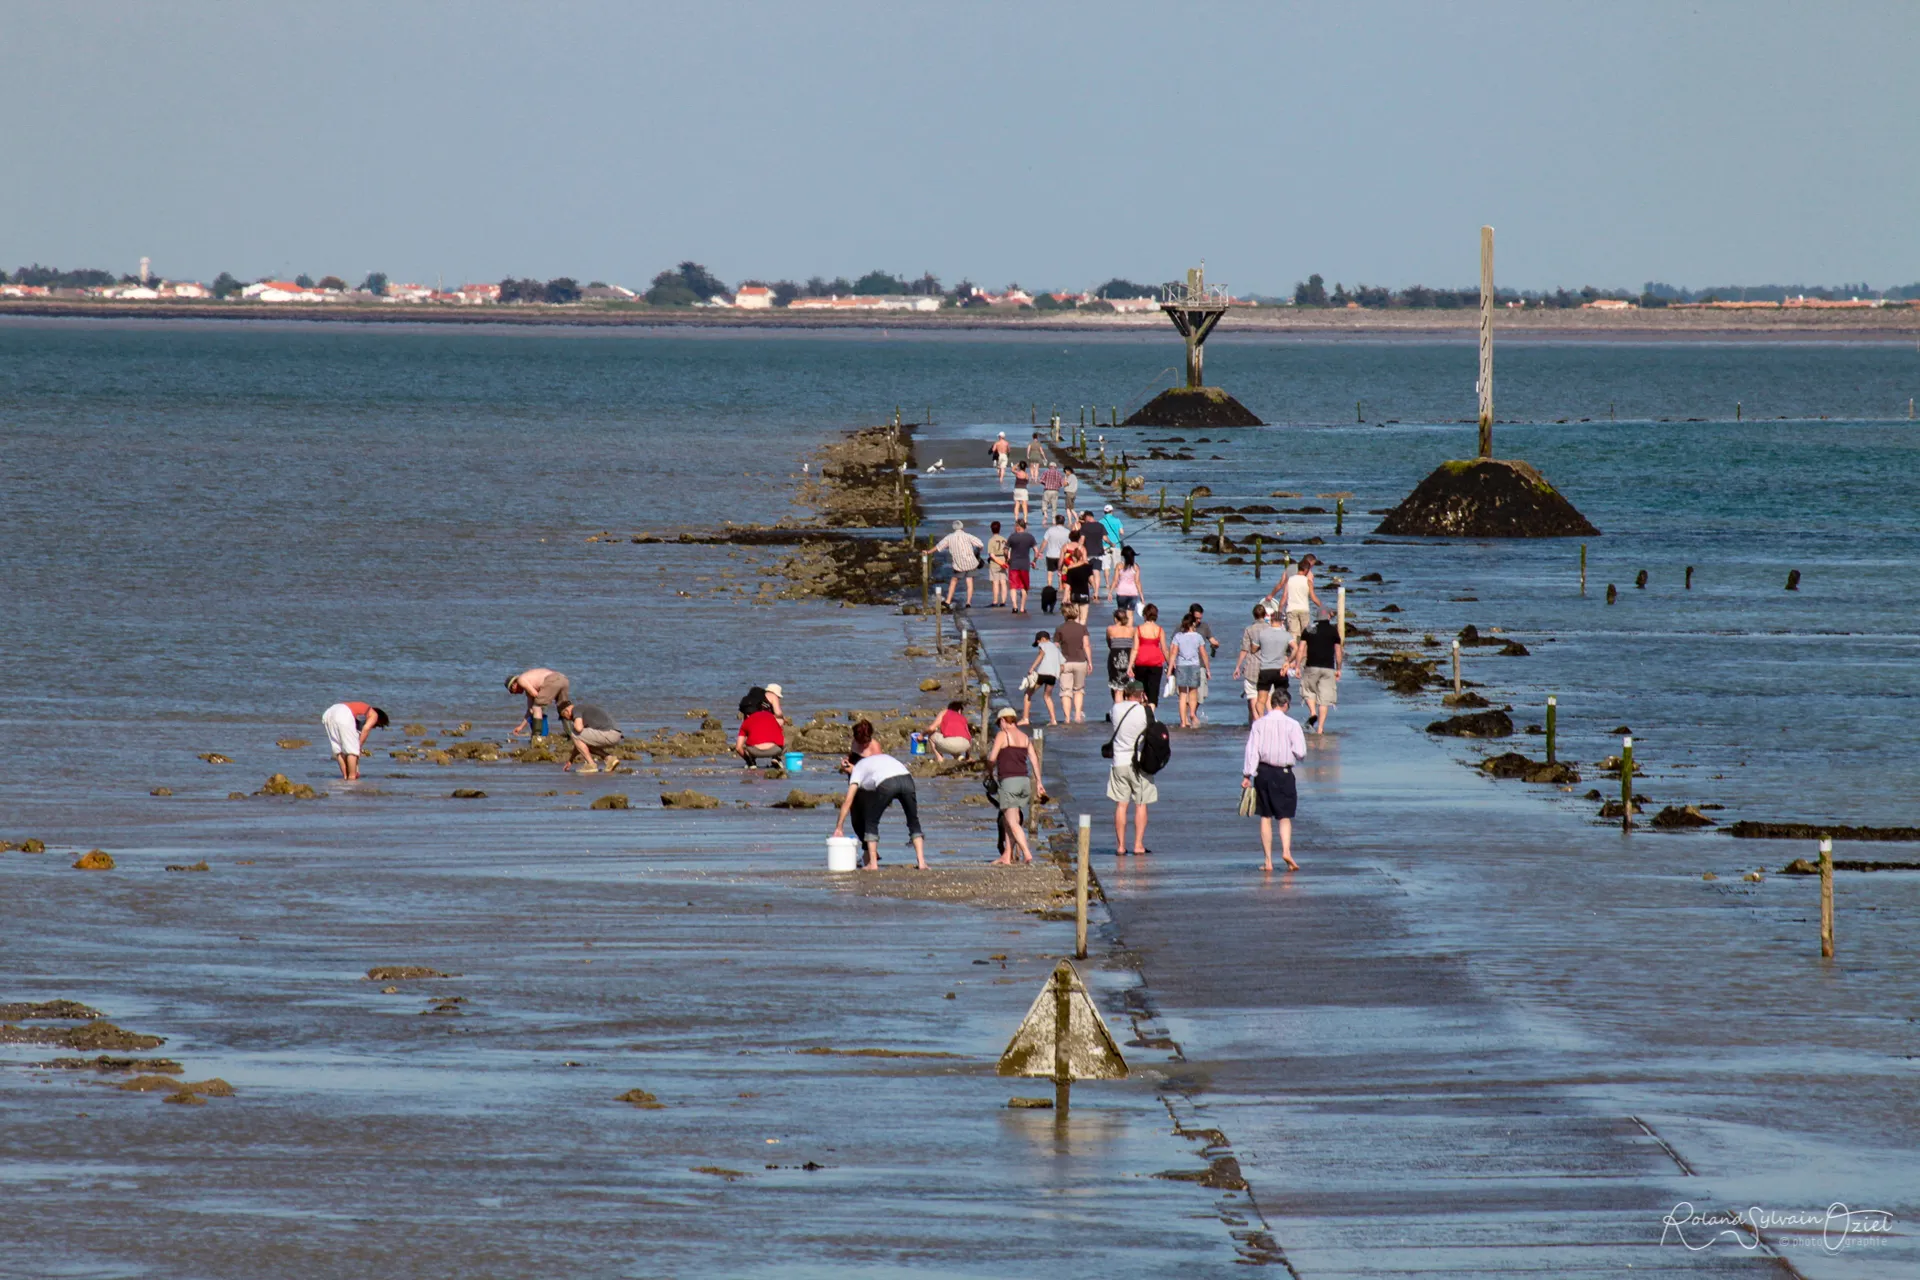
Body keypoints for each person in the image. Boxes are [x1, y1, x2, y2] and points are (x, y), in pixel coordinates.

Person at [832, 719, 927, 871]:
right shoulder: (874, 760)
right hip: (906, 777)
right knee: (913, 821)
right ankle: (922, 863)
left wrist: (839, 827)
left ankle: (873, 864)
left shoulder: (858, 769)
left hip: (886, 783)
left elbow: (847, 801)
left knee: (870, 821)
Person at [1242, 688, 1307, 871]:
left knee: (1265, 816)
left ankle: (1268, 861)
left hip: (1263, 772)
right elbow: (1301, 752)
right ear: (1286, 704)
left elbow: (1252, 752)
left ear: (1272, 703)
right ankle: (1286, 850)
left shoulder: (1259, 724)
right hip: (1284, 773)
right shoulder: (1293, 724)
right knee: (1284, 816)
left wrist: (1247, 775)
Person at [986, 707, 1043, 864]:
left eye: (1000, 723)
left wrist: (990, 771)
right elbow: (1034, 761)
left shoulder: (1002, 735)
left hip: (1009, 782)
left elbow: (992, 758)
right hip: (1024, 782)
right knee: (1010, 819)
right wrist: (1038, 782)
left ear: (1004, 720)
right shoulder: (1025, 737)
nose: (1000, 726)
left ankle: (1026, 852)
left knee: (1011, 822)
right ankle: (1007, 855)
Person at [1106, 681, 1157, 855]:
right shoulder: (1145, 712)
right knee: (1141, 804)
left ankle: (1120, 846)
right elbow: (1154, 730)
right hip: (1139, 762)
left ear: (1127, 693)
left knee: (1121, 805)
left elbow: (1117, 703)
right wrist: (1146, 704)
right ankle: (1138, 845)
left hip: (1119, 761)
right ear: (1142, 694)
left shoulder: (1116, 709)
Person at [1295, 615, 1344, 734]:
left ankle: (1312, 712)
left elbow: (1301, 649)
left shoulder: (1309, 628)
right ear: (1328, 617)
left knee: (1308, 691)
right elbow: (1338, 651)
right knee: (1325, 699)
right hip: (1328, 668)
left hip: (1311, 666)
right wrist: (1339, 668)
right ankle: (1320, 729)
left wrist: (1297, 666)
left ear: (1317, 616)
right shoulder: (1333, 630)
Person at [321, 700, 388, 781]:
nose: (374, 727)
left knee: (339, 750)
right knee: (352, 751)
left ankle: (346, 776)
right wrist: (358, 746)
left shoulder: (359, 717)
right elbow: (366, 729)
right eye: (377, 725)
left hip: (330, 712)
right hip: (343, 712)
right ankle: (352, 778)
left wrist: (357, 767)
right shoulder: (374, 715)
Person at [1248, 605, 1296, 716]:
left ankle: (1261, 720)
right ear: (1282, 622)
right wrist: (1288, 662)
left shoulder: (1263, 634)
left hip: (1265, 669)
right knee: (1282, 698)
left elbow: (1253, 649)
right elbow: (1296, 648)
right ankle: (1280, 718)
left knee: (1261, 700)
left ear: (1270, 620)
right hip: (1280, 670)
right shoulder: (1286, 635)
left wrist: (1262, 646)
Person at [1266, 554, 1324, 639]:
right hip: (1303, 607)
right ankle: (1303, 649)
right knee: (1305, 633)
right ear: (1309, 563)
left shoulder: (1289, 569)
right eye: (1312, 564)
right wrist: (1323, 608)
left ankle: (1294, 649)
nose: (1312, 566)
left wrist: (1272, 596)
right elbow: (1312, 596)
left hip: (1290, 607)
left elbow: (1281, 585)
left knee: (1292, 632)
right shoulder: (1309, 575)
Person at [558, 698, 623, 774]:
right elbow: (579, 745)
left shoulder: (576, 709)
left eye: (564, 717)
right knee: (583, 740)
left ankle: (591, 764)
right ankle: (609, 759)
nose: (567, 719)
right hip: (616, 735)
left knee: (573, 732)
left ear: (566, 711)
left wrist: (575, 725)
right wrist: (571, 760)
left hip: (609, 733)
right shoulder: (584, 709)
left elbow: (578, 729)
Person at [1170, 615, 1211, 729]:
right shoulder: (1198, 637)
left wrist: (1169, 671)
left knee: (1182, 695)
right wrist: (1208, 669)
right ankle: (1192, 713)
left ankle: (1183, 722)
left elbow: (1173, 654)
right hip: (1194, 666)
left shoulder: (1178, 636)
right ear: (1193, 624)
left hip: (1181, 666)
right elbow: (1203, 654)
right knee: (1193, 693)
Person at [1231, 603, 1270, 724]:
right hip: (1268, 667)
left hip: (1251, 668)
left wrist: (1237, 667)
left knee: (1253, 697)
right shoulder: (1271, 629)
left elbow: (1244, 650)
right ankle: (1269, 722)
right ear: (1265, 614)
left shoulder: (1249, 629)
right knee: (1267, 697)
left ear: (1254, 615)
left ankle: (1256, 723)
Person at [1055, 604, 1093, 723]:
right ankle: (1077, 716)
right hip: (1080, 661)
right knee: (1079, 689)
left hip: (1065, 662)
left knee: (1065, 691)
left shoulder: (1060, 628)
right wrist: (1090, 662)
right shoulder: (1082, 628)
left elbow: (1056, 647)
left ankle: (1066, 718)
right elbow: (1086, 645)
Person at [934, 520, 985, 608]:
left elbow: (939, 546)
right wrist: (979, 550)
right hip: (971, 562)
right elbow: (980, 544)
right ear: (962, 527)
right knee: (969, 581)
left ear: (954, 528)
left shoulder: (949, 537)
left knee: (954, 580)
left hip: (959, 564)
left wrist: (927, 552)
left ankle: (948, 601)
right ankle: (968, 602)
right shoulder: (967, 536)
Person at [1127, 602, 1169, 709]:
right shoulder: (1159, 630)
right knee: (1153, 692)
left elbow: (1135, 649)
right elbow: (1164, 649)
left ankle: (1142, 715)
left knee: (1141, 690)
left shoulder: (1139, 629)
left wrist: (1130, 665)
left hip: (1141, 662)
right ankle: (1150, 716)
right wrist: (1171, 664)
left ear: (1144, 615)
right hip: (1155, 663)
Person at [506, 668, 569, 737]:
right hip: (563, 679)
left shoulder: (520, 680)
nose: (514, 693)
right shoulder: (529, 682)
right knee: (564, 708)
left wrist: (539, 707)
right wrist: (521, 727)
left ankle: (538, 737)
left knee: (537, 707)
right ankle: (571, 734)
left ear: (513, 685)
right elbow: (530, 711)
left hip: (552, 680)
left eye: (511, 691)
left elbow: (535, 695)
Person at [1186, 603, 1221, 725]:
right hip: (1185, 664)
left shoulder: (1204, 627)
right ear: (1190, 615)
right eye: (1196, 618)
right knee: (1185, 695)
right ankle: (1186, 718)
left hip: (1201, 665)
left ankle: (1193, 714)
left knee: (1201, 695)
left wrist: (1215, 644)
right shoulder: (1182, 626)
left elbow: (1212, 640)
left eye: (1200, 618)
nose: (1198, 621)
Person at [1022, 630, 1064, 726]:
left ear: (1043, 639)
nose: (1038, 644)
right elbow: (1062, 665)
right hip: (1053, 676)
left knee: (1028, 693)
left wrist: (1032, 668)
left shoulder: (1043, 645)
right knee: (1047, 696)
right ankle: (1053, 720)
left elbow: (1041, 655)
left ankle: (1025, 719)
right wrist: (1057, 674)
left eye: (1038, 642)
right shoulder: (1055, 648)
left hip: (1043, 673)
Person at [736, 694, 785, 766]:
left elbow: (738, 748)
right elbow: (780, 736)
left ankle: (751, 762)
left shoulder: (746, 722)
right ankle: (776, 758)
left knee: (747, 743)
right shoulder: (771, 716)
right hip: (774, 750)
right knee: (785, 742)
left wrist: (747, 760)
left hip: (754, 751)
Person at [1105, 605, 1137, 706]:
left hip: (1115, 658)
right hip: (1128, 658)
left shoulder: (1110, 629)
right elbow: (1135, 647)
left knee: (1117, 689)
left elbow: (1109, 643)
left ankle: (1118, 710)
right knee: (1126, 685)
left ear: (1115, 618)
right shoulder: (1132, 630)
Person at [1005, 518, 1038, 614]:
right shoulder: (1030, 537)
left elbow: (1006, 550)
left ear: (1017, 527)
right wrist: (1034, 561)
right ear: (1025, 527)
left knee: (1013, 586)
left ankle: (1015, 607)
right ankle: (1022, 607)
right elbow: (1036, 551)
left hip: (1014, 564)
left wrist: (1007, 558)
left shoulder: (1012, 537)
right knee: (1024, 587)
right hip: (1025, 564)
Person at [1078, 510, 1107, 601]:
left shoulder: (1084, 527)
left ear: (1088, 517)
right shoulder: (1100, 526)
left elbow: (1082, 540)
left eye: (1085, 518)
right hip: (1099, 553)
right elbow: (1105, 538)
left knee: (1089, 573)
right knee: (1096, 572)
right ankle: (1096, 592)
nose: (1084, 520)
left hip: (1088, 553)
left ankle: (1094, 589)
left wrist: (1078, 549)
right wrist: (1112, 543)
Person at [1060, 531, 1095, 605]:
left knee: (1066, 585)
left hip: (1065, 568)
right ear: (1079, 538)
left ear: (1070, 537)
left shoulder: (1065, 546)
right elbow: (1085, 561)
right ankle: (1071, 601)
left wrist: (1059, 568)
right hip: (1078, 568)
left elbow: (1061, 559)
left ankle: (1067, 600)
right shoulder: (1081, 547)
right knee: (1074, 585)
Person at [1039, 514, 1071, 589]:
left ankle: (1049, 587)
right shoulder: (1067, 532)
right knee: (1060, 572)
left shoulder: (1050, 530)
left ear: (1056, 521)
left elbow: (1044, 542)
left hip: (1050, 555)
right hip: (1062, 556)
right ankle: (1060, 587)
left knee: (1050, 572)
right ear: (1064, 522)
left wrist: (1040, 552)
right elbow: (1069, 545)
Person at [1111, 545, 1143, 618]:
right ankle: (1129, 629)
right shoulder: (1136, 567)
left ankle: (1122, 628)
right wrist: (1141, 595)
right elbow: (1137, 582)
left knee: (1121, 613)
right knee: (1130, 615)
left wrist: (1110, 592)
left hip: (1121, 592)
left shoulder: (1119, 565)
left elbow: (1115, 580)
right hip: (1133, 593)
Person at [986, 520, 1010, 609]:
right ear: (999, 529)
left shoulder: (991, 540)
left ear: (991, 529)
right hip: (1003, 559)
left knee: (995, 582)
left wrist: (998, 562)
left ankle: (995, 601)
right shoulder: (1004, 539)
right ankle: (1003, 601)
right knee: (1003, 582)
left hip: (995, 561)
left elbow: (991, 554)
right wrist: (1006, 561)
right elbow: (1008, 552)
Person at [1038, 457, 1063, 523]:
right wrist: (1057, 486)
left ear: (1049, 466)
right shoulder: (1059, 473)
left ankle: (1045, 514)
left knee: (1044, 502)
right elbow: (1061, 483)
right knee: (1054, 506)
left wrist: (1045, 484)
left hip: (1047, 490)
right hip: (1055, 491)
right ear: (1055, 467)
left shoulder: (1046, 472)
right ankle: (1053, 520)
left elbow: (1041, 480)